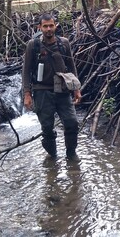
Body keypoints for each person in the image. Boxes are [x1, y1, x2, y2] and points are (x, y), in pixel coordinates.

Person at [22, 13, 82, 161]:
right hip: (41, 91)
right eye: (45, 26)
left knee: (72, 123)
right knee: (47, 127)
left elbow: (72, 67)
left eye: (51, 25)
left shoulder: (64, 43)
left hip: (62, 89)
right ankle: (52, 154)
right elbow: (26, 71)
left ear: (56, 26)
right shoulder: (33, 45)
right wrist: (27, 94)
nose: (49, 29)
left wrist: (76, 89)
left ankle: (71, 154)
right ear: (40, 27)